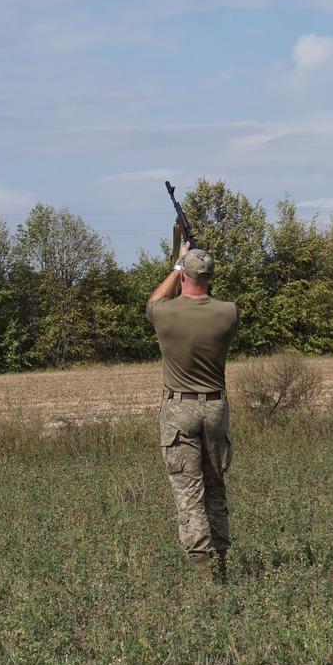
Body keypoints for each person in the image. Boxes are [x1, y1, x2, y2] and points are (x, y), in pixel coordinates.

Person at [145, 242, 239, 581]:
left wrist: (175, 266)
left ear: (184, 275)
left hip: (179, 409)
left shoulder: (165, 314)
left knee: (189, 494)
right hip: (215, 408)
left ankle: (204, 577)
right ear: (210, 277)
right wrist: (187, 266)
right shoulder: (228, 312)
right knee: (215, 489)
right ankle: (223, 567)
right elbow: (206, 299)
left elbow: (153, 302)